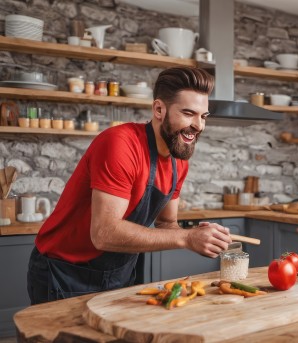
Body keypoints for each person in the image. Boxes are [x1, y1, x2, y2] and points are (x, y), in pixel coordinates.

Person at [27, 67, 232, 304]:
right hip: (64, 271)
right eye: (188, 113)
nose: (199, 126)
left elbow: (166, 224)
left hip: (119, 273)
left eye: (203, 116)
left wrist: (197, 234)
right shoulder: (120, 144)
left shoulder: (179, 161)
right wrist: (187, 239)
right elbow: (104, 233)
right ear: (158, 109)